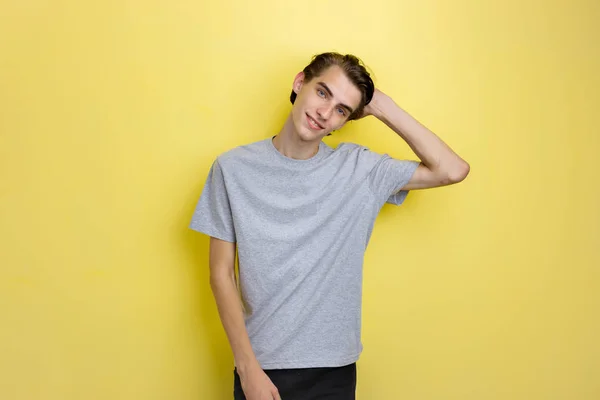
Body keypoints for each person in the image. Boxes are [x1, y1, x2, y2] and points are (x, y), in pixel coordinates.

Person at [189, 52, 470, 400]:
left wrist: (381, 105)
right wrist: (248, 370)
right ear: (299, 83)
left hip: (335, 372)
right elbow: (221, 274)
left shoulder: (358, 170)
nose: (325, 113)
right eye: (323, 92)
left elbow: (451, 170)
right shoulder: (232, 169)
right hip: (262, 370)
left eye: (342, 110)